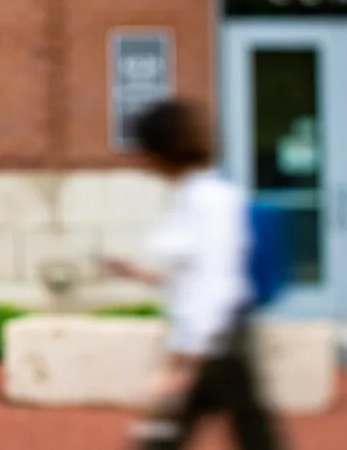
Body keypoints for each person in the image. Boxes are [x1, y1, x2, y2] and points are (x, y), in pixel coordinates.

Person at [102, 98, 281, 450]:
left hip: (217, 340)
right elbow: (193, 278)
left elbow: (217, 284)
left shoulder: (208, 200)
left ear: (163, 151)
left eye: (145, 151)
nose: (143, 161)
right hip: (214, 339)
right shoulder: (193, 196)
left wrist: (185, 359)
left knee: (240, 431)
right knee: (240, 430)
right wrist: (138, 273)